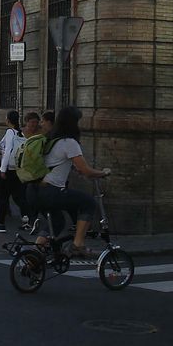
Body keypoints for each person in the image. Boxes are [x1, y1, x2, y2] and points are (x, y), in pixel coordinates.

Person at [33, 105, 109, 259]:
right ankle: (78, 245)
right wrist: (103, 172)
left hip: (35, 191)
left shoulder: (50, 138)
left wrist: (74, 169)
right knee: (89, 203)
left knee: (57, 222)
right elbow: (85, 170)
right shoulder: (69, 142)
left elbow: (58, 162)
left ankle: (33, 255)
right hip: (52, 191)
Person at [0, 110, 24, 233]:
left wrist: (2, 169)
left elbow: (7, 151)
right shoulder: (20, 133)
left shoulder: (10, 132)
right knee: (19, 196)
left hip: (8, 168)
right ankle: (28, 220)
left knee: (2, 196)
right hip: (17, 169)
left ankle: (1, 224)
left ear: (8, 120)